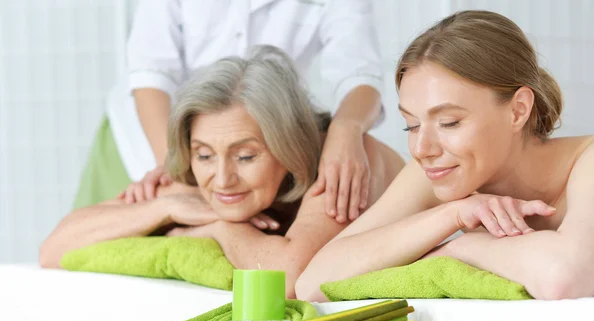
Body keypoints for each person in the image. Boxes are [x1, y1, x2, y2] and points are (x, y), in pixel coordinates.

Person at [40, 46, 405, 298]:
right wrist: (162, 209)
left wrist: (215, 226)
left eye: (245, 157)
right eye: (203, 155)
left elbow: (287, 280)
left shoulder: (339, 163)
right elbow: (55, 248)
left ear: (290, 147)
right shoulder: (201, 174)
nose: (222, 178)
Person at [296, 10, 594, 302]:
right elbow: (312, 284)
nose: (421, 149)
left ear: (518, 110)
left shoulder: (591, 161)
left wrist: (463, 248)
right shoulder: (441, 172)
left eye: (449, 123)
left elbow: (565, 276)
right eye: (411, 126)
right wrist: (451, 215)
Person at [74, 0, 386, 224]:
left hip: (262, 148)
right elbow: (151, 76)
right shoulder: (184, 160)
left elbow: (359, 76)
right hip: (152, 136)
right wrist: (178, 168)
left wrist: (346, 131)